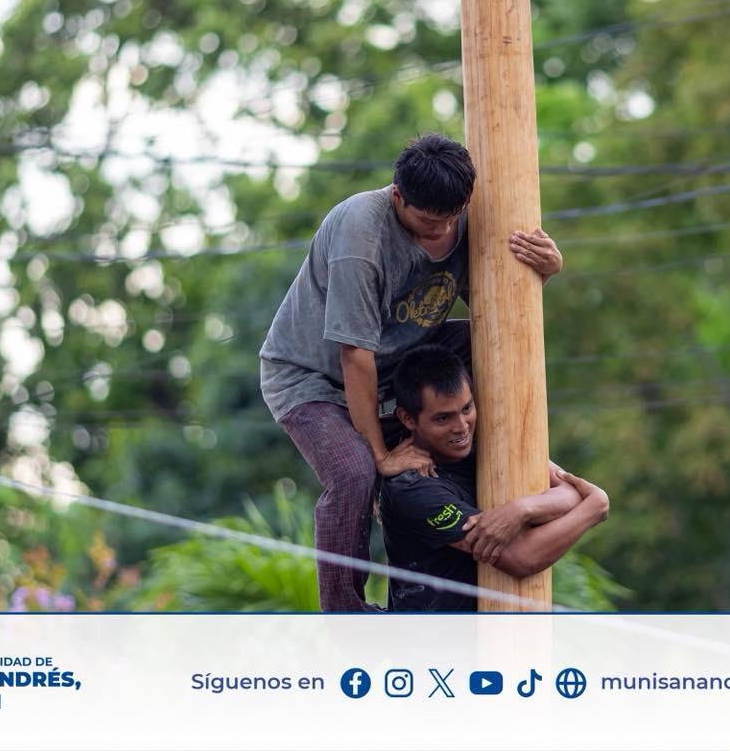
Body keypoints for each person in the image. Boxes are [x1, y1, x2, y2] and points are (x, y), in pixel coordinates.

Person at [259, 133, 564, 612]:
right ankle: (346, 614)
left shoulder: (466, 215)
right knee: (355, 473)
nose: (440, 232)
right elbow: (354, 356)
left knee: (493, 341)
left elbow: (497, 302)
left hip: (397, 357)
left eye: (450, 220)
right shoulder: (361, 235)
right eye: (427, 223)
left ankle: (487, 469)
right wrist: (381, 456)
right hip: (315, 379)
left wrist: (546, 269)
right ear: (399, 196)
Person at [379, 346, 609, 612]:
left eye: (467, 408)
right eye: (443, 418)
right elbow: (520, 558)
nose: (462, 427)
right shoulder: (410, 487)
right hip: (433, 637)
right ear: (408, 419)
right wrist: (595, 506)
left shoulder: (487, 438)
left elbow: (570, 489)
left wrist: (521, 509)